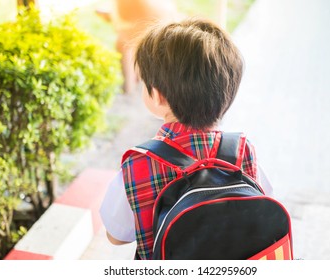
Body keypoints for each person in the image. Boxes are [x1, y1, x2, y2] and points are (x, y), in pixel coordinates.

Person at [99, 18, 273, 260]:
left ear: (157, 96)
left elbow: (116, 235)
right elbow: (265, 205)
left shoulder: (139, 165)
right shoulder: (243, 151)